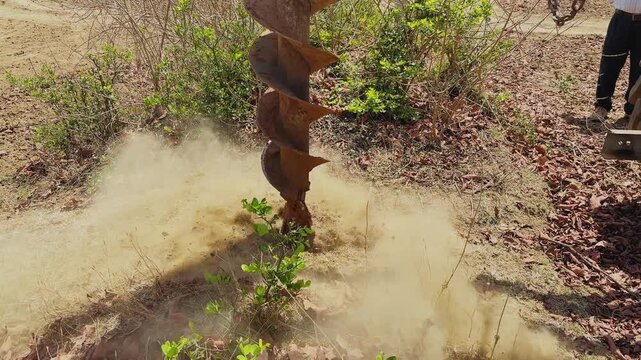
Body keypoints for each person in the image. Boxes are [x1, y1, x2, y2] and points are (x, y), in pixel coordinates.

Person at [588, 0, 641, 129]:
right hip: (620, 18)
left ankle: (632, 109)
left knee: (639, 68)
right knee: (609, 63)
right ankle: (602, 105)